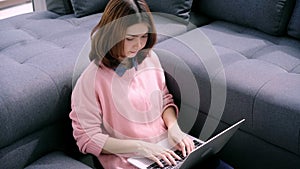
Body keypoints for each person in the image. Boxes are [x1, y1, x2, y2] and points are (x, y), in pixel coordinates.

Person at [70, 0, 232, 169]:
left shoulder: (149, 58)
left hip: (167, 147)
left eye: (143, 36)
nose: (139, 45)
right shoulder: (91, 80)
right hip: (133, 160)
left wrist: (173, 128)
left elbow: (164, 99)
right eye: (130, 38)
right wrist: (140, 147)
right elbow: (87, 138)